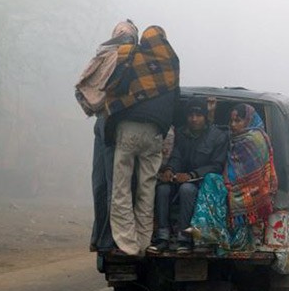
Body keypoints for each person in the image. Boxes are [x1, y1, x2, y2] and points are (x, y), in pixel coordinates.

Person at [104, 25, 179, 256]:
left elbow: (114, 85)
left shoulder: (131, 55)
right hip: (155, 135)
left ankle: (128, 244)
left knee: (122, 188)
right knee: (147, 190)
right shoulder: (172, 65)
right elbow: (174, 105)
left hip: (128, 130)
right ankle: (145, 241)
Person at [75, 20, 139, 252]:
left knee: (115, 187)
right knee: (100, 185)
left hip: (118, 124)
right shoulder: (105, 56)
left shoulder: (133, 60)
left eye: (127, 33)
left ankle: (113, 239)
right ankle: (99, 237)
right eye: (119, 32)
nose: (122, 35)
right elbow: (90, 87)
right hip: (102, 123)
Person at [147, 99, 228, 254]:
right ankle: (162, 237)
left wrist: (192, 175)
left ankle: (184, 238)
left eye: (198, 115)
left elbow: (216, 166)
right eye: (191, 115)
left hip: (203, 185)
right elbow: (176, 156)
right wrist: (170, 170)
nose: (194, 118)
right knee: (162, 188)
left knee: (187, 189)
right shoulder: (181, 133)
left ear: (205, 117)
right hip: (180, 179)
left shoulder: (218, 137)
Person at [224, 104, 278, 247]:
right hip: (239, 192)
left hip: (255, 194)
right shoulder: (230, 139)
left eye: (238, 121)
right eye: (231, 121)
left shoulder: (255, 138)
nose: (233, 125)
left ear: (248, 120)